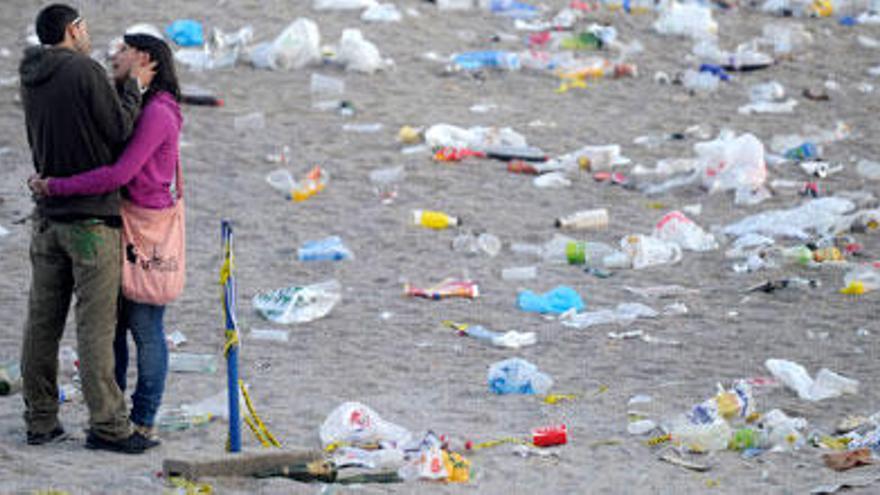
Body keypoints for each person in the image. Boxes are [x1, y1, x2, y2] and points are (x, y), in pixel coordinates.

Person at [30, 32, 184, 443]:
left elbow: (119, 174)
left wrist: (55, 186)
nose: (113, 56)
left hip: (144, 227)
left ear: (145, 59)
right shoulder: (138, 103)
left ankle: (142, 418)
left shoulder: (158, 112)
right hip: (121, 221)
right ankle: (110, 417)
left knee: (144, 325)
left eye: (123, 51)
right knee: (111, 327)